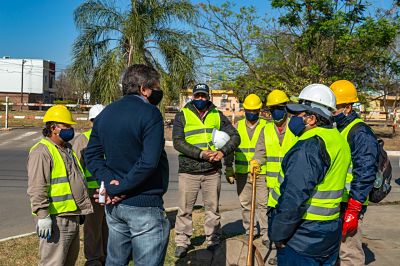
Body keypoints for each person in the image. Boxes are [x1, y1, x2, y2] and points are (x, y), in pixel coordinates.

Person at [85, 64, 170, 266]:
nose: (158, 92)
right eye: (155, 87)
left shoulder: (105, 114)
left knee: (115, 261)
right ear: (143, 89)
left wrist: (109, 183)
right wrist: (119, 187)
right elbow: (148, 162)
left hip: (115, 207)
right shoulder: (150, 113)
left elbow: (92, 155)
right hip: (144, 205)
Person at [268, 84, 351, 265]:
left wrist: (278, 234)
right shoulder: (337, 139)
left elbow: (294, 197)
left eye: (298, 114)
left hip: (302, 237)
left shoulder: (309, 146)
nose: (293, 118)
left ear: (311, 119)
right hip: (327, 234)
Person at [173, 83, 240, 258]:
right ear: (193, 97)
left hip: (212, 171)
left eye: (204, 96)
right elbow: (177, 142)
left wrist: (222, 152)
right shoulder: (183, 115)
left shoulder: (218, 115)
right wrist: (201, 154)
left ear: (208, 97)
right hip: (189, 171)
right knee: (185, 209)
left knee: (212, 209)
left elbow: (235, 136)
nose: (201, 99)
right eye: (198, 96)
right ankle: (182, 242)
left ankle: (213, 239)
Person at [27, 105, 93, 266]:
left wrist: (81, 209)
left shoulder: (68, 149)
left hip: (72, 216)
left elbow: (76, 180)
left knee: (69, 261)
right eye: (66, 126)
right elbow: (37, 187)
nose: (70, 130)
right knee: (53, 262)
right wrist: (43, 215)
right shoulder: (42, 152)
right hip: (56, 219)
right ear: (53, 128)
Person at [330, 80, 379, 266]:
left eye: (335, 108)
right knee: (335, 249)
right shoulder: (338, 129)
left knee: (349, 251)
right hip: (336, 199)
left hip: (350, 201)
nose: (332, 112)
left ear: (348, 107)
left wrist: (354, 207)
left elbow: (365, 172)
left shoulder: (360, 132)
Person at [252, 90, 297, 265]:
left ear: (286, 108)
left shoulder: (296, 126)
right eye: (273, 109)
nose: (276, 112)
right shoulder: (266, 129)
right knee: (276, 221)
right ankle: (279, 254)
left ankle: (287, 254)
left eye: (279, 107)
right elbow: (260, 152)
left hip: (292, 183)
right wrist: (256, 162)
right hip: (272, 184)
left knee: (291, 220)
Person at [224, 94, 269, 244]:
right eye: (249, 110)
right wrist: (229, 168)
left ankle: (265, 233)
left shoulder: (266, 126)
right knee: (245, 204)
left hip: (261, 173)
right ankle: (250, 231)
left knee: (263, 204)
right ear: (244, 110)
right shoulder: (237, 126)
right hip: (242, 173)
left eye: (254, 110)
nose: (251, 113)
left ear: (259, 110)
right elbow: (230, 149)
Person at [72, 104, 107, 266]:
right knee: (92, 228)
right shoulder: (83, 140)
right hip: (92, 192)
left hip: (109, 190)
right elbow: (75, 170)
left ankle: (107, 255)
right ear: (91, 121)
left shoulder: (111, 137)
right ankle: (93, 258)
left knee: (108, 226)